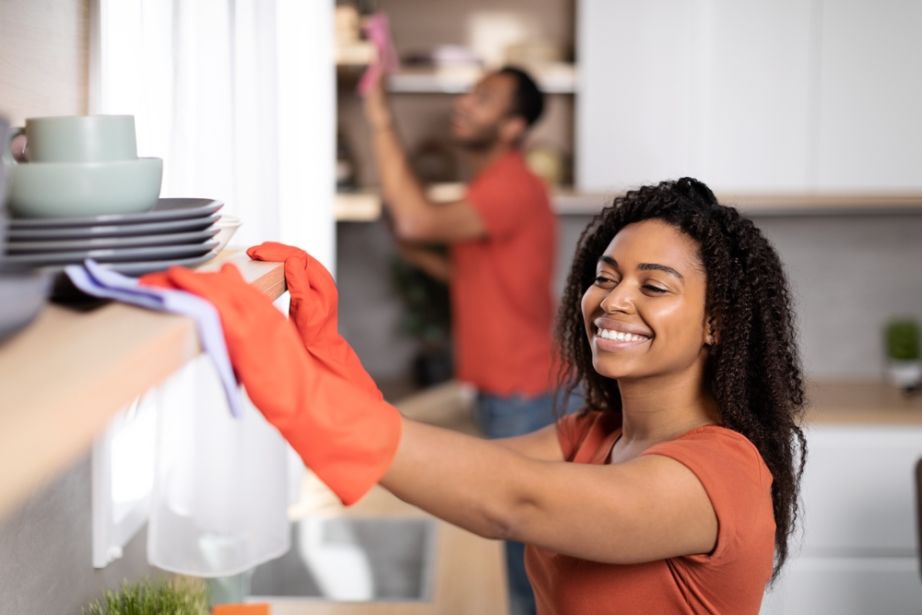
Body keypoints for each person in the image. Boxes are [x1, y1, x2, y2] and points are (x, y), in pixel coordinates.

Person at [145, 177, 808, 614]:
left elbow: (510, 501)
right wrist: (321, 350)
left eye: (654, 286)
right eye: (605, 276)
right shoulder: (596, 434)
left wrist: (276, 361)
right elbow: (458, 469)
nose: (615, 299)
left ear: (718, 322)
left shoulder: (714, 475)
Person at [362, 65, 565, 613]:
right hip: (518, 389)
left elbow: (415, 221)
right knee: (528, 559)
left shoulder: (508, 186)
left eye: (485, 99)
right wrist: (416, 250)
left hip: (525, 394)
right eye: (471, 92)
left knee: (527, 564)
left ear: (511, 128)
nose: (465, 104)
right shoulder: (493, 188)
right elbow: (476, 280)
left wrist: (379, 114)